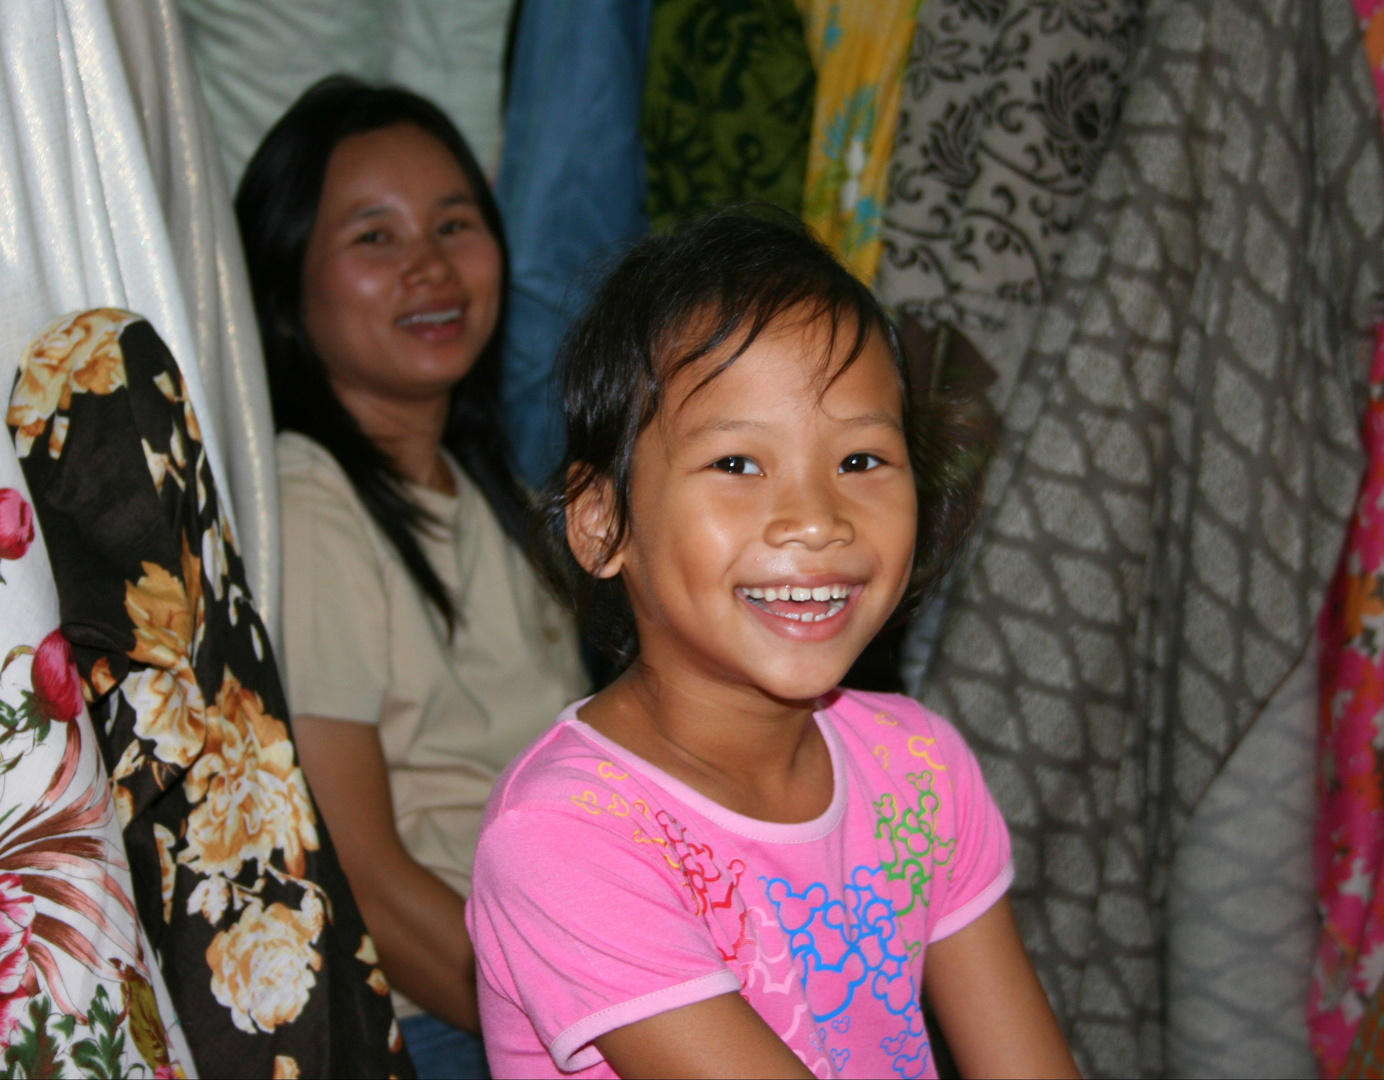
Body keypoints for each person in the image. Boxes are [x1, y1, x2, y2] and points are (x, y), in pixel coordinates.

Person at [464, 210, 1079, 1079]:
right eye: (738, 465)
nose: (817, 521)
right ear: (603, 525)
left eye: (861, 461)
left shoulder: (919, 766)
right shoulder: (565, 839)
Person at [235, 77, 588, 1079]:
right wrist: (605, 1029)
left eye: (452, 223)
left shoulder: (485, 489)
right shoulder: (310, 502)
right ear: (287, 280)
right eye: (373, 238)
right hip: (448, 1015)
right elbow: (357, 874)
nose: (428, 266)